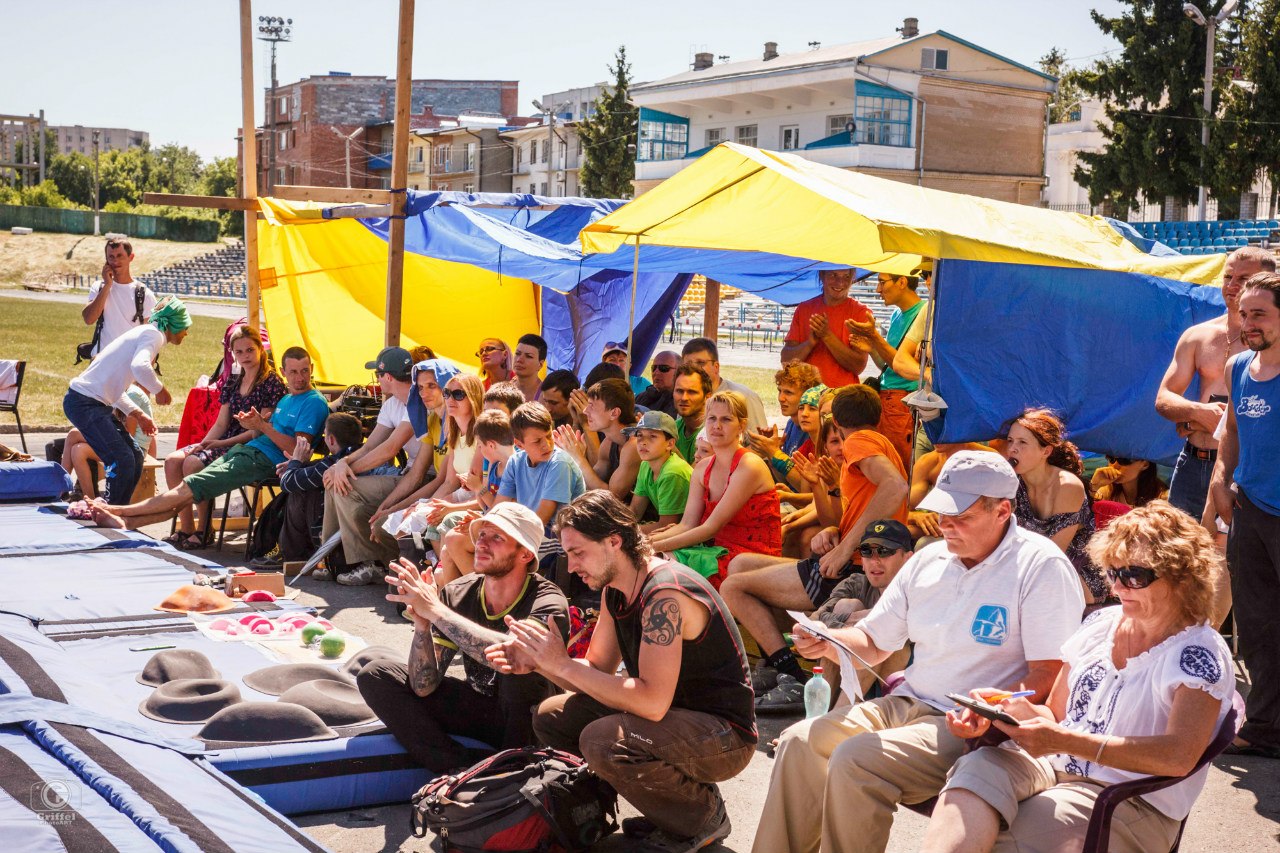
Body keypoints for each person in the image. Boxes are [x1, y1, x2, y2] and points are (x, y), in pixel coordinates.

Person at [753, 450, 1085, 853]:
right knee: (799, 742)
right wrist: (828, 639)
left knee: (855, 759)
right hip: (910, 702)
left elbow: (1050, 673)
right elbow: (874, 641)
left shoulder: (1041, 566)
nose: (946, 526)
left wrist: (990, 708)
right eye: (943, 514)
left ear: (1002, 511)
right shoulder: (929, 558)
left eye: (961, 517)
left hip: (974, 725)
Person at [922, 500, 1234, 852]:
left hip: (1126, 798)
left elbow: (1178, 756)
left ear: (1182, 577)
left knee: (999, 840)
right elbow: (1056, 715)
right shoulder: (1101, 624)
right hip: (1055, 766)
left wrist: (1064, 741)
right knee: (974, 772)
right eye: (1113, 573)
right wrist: (1007, 710)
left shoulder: (1198, 654)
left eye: (1134, 576)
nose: (1118, 588)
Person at [486, 491, 756, 853]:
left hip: (725, 736)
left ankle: (701, 816)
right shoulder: (615, 589)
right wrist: (539, 662)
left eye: (578, 552)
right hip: (676, 720)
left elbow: (651, 702)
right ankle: (654, 810)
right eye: (567, 554)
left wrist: (562, 663)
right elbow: (596, 668)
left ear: (614, 541)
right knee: (554, 717)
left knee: (602, 739)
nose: (570, 567)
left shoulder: (664, 595)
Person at [722, 384, 909, 708]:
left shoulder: (859, 441)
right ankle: (774, 663)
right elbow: (862, 507)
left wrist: (843, 546)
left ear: (836, 419)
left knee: (733, 587)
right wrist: (836, 526)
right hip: (851, 558)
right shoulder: (877, 442)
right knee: (740, 565)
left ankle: (792, 675)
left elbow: (896, 486)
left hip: (852, 566)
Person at [357, 502, 569, 772]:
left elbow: (521, 657)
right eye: (481, 535)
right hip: (481, 710)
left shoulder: (547, 599)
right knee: (376, 674)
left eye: (497, 538)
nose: (481, 544)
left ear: (525, 554)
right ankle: (459, 769)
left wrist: (436, 611)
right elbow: (424, 687)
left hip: (529, 721)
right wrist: (423, 625)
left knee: (518, 674)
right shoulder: (458, 592)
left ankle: (514, 771)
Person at [88, 346, 330, 530]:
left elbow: (296, 451)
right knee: (190, 488)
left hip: (263, 461)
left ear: (312, 369)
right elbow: (259, 431)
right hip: (248, 452)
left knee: (189, 487)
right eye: (294, 372)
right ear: (283, 372)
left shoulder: (313, 402)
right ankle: (126, 522)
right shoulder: (288, 398)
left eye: (305, 371)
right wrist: (254, 426)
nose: (300, 377)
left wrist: (262, 427)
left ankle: (118, 510)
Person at [1210, 270, 1280, 758]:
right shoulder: (1238, 367)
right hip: (1251, 508)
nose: (1248, 321)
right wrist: (1221, 476)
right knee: (1256, 623)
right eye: (1244, 313)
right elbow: (1231, 428)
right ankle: (1264, 726)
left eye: (1260, 314)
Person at [1157, 246, 1273, 520]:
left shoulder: (1270, 343)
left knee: (1232, 559)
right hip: (1193, 463)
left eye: (1243, 279)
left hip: (1245, 470)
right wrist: (1198, 414)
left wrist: (1210, 423)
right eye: (1227, 277)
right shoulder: (1198, 335)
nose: (1232, 286)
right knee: (1180, 555)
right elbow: (1164, 398)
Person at [436, 402, 587, 581]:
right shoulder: (516, 462)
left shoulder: (559, 464)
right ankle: (479, 600)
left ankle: (489, 595)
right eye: (537, 441)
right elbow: (501, 507)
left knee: (459, 543)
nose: (546, 445)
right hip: (526, 528)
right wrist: (483, 522)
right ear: (519, 444)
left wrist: (493, 529)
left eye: (548, 437)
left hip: (553, 537)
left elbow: (542, 517)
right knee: (451, 544)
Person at [165, 325, 285, 548]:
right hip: (224, 440)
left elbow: (258, 430)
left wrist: (218, 444)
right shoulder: (233, 381)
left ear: (260, 349)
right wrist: (202, 444)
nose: (245, 356)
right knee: (172, 461)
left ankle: (205, 529)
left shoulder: (272, 383)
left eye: (250, 350)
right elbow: (221, 423)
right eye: (239, 352)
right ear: (232, 354)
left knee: (192, 463)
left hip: (249, 444)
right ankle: (187, 528)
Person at [649, 390, 781, 588]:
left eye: (726, 419)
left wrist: (651, 547)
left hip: (749, 556)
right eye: (712, 418)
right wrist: (646, 542)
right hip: (714, 550)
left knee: (662, 563)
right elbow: (687, 524)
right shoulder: (702, 468)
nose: (717, 426)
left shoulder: (749, 465)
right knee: (657, 559)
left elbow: (711, 527)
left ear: (742, 425)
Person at [64, 296, 188, 505]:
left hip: (91, 403)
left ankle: (119, 509)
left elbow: (115, 390)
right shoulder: (153, 334)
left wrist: (138, 414)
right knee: (120, 459)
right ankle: (112, 512)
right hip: (85, 403)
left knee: (134, 455)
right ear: (173, 324)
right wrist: (159, 390)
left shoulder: (145, 333)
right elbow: (140, 367)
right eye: (185, 326)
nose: (186, 333)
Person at [321, 347, 424, 586]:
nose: (376, 380)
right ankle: (331, 559)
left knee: (343, 486)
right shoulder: (391, 404)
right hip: (405, 475)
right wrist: (343, 463)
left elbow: (388, 450)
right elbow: (369, 447)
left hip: (421, 479)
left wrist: (347, 470)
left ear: (388, 377)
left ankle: (364, 563)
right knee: (334, 482)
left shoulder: (417, 402)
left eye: (378, 375)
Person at [368, 374, 485, 580]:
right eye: (447, 393)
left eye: (458, 394)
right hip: (460, 496)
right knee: (400, 523)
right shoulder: (455, 435)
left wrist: (436, 507)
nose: (450, 399)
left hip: (479, 500)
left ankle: (448, 581)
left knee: (428, 521)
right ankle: (427, 573)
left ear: (473, 397)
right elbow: (450, 482)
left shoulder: (481, 437)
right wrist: (426, 504)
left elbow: (480, 491)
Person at [1004, 408, 1106, 603]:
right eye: (1010, 441)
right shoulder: (1012, 483)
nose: (1012, 449)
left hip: (1077, 577)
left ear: (1046, 451)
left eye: (1022, 442)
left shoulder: (1066, 486)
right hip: (1029, 571)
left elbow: (1053, 555)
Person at [809, 520, 914, 701]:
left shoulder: (916, 588)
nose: (875, 560)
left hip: (904, 681)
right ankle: (820, 711)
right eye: (867, 551)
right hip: (854, 673)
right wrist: (860, 618)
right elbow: (816, 620)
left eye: (884, 551)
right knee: (845, 613)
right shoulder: (856, 583)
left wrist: (868, 623)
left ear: (908, 558)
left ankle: (841, 715)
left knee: (881, 636)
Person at [845, 271, 925, 468]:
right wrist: (872, 349)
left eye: (882, 282)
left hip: (903, 402)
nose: (878, 289)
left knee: (899, 466)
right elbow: (889, 365)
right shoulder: (897, 314)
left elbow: (902, 364)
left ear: (902, 282)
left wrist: (875, 337)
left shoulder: (924, 312)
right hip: (889, 399)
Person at [275, 412, 364, 562]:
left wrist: (296, 460)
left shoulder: (332, 465)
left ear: (330, 439)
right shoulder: (360, 456)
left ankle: (293, 555)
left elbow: (287, 483)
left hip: (331, 536)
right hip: (354, 528)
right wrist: (297, 465)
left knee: (298, 491)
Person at [780, 268, 874, 388]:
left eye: (846, 276)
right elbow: (786, 361)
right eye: (833, 275)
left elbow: (858, 366)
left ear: (852, 279)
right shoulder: (804, 308)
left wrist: (827, 335)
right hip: (806, 397)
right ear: (822, 275)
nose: (840, 283)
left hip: (841, 397)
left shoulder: (861, 313)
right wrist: (810, 343)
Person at [62, 384, 155, 499]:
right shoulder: (115, 389)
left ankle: (64, 489)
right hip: (120, 440)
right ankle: (85, 498)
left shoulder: (132, 395)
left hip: (135, 447)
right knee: (76, 449)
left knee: (74, 438)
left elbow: (129, 434)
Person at [553, 378, 641, 500]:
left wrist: (578, 459)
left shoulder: (635, 444)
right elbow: (591, 484)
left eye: (591, 406)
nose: (585, 411)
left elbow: (612, 498)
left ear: (614, 413)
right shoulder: (609, 442)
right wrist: (573, 456)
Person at [750, 360, 823, 486]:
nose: (780, 398)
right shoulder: (791, 423)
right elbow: (784, 480)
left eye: (788, 393)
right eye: (780, 391)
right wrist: (772, 454)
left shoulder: (813, 428)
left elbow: (805, 487)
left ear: (807, 395)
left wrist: (774, 453)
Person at [908, 441, 1000, 541]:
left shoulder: (989, 459)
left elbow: (998, 514)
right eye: (931, 427)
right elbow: (901, 512)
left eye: (942, 427)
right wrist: (915, 516)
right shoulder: (926, 462)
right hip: (942, 531)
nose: (935, 436)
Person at [81, 238, 157, 356]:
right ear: (106, 260)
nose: (115, 261)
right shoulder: (99, 287)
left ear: (131, 257)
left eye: (120, 256)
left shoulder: (145, 295)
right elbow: (88, 319)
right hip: (100, 361)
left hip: (127, 364)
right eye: (111, 257)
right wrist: (107, 285)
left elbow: (150, 339)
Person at [681, 338, 768, 433]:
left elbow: (760, 443)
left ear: (716, 367)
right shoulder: (683, 397)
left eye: (701, 363)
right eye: (688, 364)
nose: (695, 368)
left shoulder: (745, 397)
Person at [626, 410, 693, 534]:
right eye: (639, 435)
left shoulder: (673, 472)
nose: (643, 442)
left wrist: (624, 531)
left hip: (692, 536)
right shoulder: (646, 464)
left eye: (652, 436)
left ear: (670, 444)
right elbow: (635, 511)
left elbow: (667, 526)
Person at [1090, 455, 1166, 508]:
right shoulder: (1108, 491)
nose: (1114, 466)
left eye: (1124, 460)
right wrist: (1094, 485)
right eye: (1111, 459)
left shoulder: (1162, 498)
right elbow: (1083, 518)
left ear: (1145, 464)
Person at [672, 364, 711, 463]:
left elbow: (694, 477)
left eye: (692, 392)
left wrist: (667, 446)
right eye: (679, 391)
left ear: (707, 397)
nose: (684, 398)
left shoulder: (712, 433)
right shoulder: (674, 427)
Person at [635, 349, 679, 416]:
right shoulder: (641, 398)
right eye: (654, 368)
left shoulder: (682, 401)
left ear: (679, 371)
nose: (656, 372)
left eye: (664, 368)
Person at [511, 333, 547, 403]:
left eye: (528, 356)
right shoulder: (504, 390)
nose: (519, 360)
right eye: (517, 354)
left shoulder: (546, 397)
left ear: (540, 364)